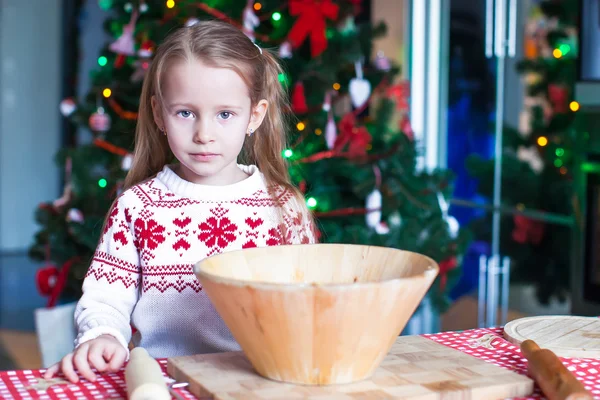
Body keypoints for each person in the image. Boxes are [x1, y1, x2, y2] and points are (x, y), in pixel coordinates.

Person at [44, 19, 317, 383]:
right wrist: (103, 335)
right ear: (159, 113)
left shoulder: (284, 207)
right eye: (185, 113)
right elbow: (106, 298)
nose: (204, 134)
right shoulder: (138, 207)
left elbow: (309, 301)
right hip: (161, 383)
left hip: (261, 382)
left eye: (224, 114)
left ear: (254, 115)